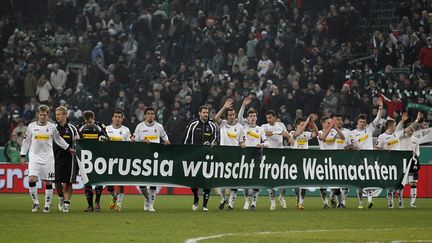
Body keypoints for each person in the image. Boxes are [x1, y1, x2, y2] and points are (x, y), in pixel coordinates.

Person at [20, 105, 75, 213]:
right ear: (38, 115)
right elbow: (26, 142)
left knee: (48, 182)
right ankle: (35, 203)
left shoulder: (52, 127)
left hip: (48, 158)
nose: (42, 117)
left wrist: (68, 148)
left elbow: (58, 140)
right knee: (32, 179)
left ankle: (47, 205)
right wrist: (23, 155)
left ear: (47, 115)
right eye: (40, 115)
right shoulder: (31, 126)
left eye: (44, 115)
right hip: (34, 157)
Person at [375, 112, 420, 208]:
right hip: (388, 162)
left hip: (398, 162)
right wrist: (385, 151)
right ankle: (390, 201)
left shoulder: (397, 134)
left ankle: (400, 200)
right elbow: (376, 149)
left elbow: (409, 128)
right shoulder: (382, 137)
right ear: (390, 126)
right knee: (390, 182)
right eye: (395, 125)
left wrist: (416, 121)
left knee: (400, 182)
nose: (396, 126)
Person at [349, 98, 384, 209]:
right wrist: (353, 147)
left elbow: (378, 118)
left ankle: (369, 200)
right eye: (361, 122)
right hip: (358, 158)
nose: (362, 123)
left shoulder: (369, 129)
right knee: (359, 181)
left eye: (364, 122)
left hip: (369, 157)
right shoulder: (352, 133)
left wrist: (380, 107)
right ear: (357, 122)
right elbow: (350, 146)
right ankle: (360, 202)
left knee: (368, 179)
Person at [133, 107, 170, 212]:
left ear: (154, 115)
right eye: (148, 113)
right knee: (142, 183)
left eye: (152, 113)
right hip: (143, 158)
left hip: (155, 157)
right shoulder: (140, 126)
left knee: (153, 181)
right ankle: (147, 199)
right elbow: (134, 140)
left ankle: (151, 204)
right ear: (145, 116)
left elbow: (164, 136)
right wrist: (142, 141)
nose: (150, 115)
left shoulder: (159, 126)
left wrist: (167, 141)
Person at [214, 98, 246, 210]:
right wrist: (224, 107)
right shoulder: (222, 124)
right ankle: (223, 198)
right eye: (230, 115)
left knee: (234, 181)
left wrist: (245, 146)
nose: (232, 116)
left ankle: (231, 203)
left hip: (234, 156)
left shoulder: (240, 128)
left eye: (233, 114)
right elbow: (215, 118)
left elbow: (242, 142)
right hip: (223, 156)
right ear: (227, 116)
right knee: (222, 180)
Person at [184, 105, 217, 212]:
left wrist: (211, 143)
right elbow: (186, 140)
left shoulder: (212, 125)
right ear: (199, 113)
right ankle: (196, 197)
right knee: (193, 181)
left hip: (207, 158)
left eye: (207, 113)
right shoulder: (193, 125)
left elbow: (215, 138)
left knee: (207, 180)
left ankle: (205, 205)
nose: (206, 114)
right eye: (204, 112)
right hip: (194, 157)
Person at [237, 96, 266, 210]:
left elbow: (267, 142)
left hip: (256, 156)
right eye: (251, 116)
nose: (253, 118)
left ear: (256, 117)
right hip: (245, 156)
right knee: (245, 181)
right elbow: (239, 117)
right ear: (247, 118)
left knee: (255, 181)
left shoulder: (260, 129)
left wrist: (262, 145)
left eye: (254, 116)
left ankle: (254, 202)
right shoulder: (244, 126)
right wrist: (243, 105)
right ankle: (246, 200)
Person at [79, 110, 109, 212]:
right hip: (86, 159)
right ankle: (90, 205)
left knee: (98, 181)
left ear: (93, 119)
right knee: (87, 182)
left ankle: (97, 202)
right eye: (86, 121)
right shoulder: (81, 128)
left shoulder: (100, 127)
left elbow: (108, 139)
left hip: (98, 158)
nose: (88, 123)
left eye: (90, 121)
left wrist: (103, 138)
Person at [261, 110, 290, 210]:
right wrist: (279, 134)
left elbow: (287, 135)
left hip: (280, 155)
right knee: (271, 180)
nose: (268, 120)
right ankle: (272, 201)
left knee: (283, 180)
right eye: (267, 118)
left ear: (275, 117)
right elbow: (264, 134)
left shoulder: (281, 125)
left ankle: (281, 197)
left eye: (270, 118)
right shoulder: (264, 126)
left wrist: (273, 133)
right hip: (269, 155)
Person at [289, 115, 318, 210]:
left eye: (303, 125)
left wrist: (312, 123)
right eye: (301, 125)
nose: (303, 126)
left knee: (304, 183)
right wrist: (306, 121)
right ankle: (298, 198)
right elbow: (299, 132)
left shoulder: (306, 134)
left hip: (305, 161)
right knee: (296, 184)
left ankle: (301, 202)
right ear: (296, 125)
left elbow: (316, 134)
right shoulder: (293, 132)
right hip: (294, 161)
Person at [54, 106, 80, 213]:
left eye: (59, 114)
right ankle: (61, 198)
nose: (57, 117)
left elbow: (79, 141)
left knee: (69, 182)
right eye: (56, 115)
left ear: (65, 115)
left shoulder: (73, 128)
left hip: (70, 158)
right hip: (56, 158)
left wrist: (77, 140)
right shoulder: (53, 128)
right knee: (57, 181)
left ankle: (67, 204)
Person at [105, 110, 132, 212]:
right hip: (109, 160)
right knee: (109, 185)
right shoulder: (107, 129)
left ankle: (119, 203)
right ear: (112, 118)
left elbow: (130, 145)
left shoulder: (126, 130)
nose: (117, 118)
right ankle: (114, 196)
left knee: (121, 182)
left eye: (119, 117)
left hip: (121, 159)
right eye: (115, 116)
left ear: (122, 119)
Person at [317, 116, 345, 209]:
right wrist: (331, 127)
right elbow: (322, 138)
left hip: (333, 160)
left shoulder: (333, 132)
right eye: (328, 123)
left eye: (330, 122)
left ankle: (339, 202)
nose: (330, 124)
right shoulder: (320, 133)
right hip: (323, 161)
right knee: (322, 182)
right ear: (323, 124)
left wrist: (336, 128)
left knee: (336, 182)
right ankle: (325, 203)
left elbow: (343, 137)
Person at [399, 113, 421, 208]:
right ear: (406, 130)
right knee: (401, 183)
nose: (411, 131)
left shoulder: (416, 139)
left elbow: (418, 152)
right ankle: (401, 202)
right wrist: (416, 121)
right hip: (403, 163)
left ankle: (412, 203)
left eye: (412, 130)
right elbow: (399, 130)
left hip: (412, 163)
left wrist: (416, 154)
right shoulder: (401, 137)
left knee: (413, 183)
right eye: (409, 129)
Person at [334, 114, 352, 207]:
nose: (340, 121)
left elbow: (351, 145)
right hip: (333, 160)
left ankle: (343, 202)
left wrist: (348, 147)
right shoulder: (330, 131)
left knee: (344, 181)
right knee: (336, 184)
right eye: (337, 119)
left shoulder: (348, 132)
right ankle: (338, 201)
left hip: (344, 159)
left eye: (341, 120)